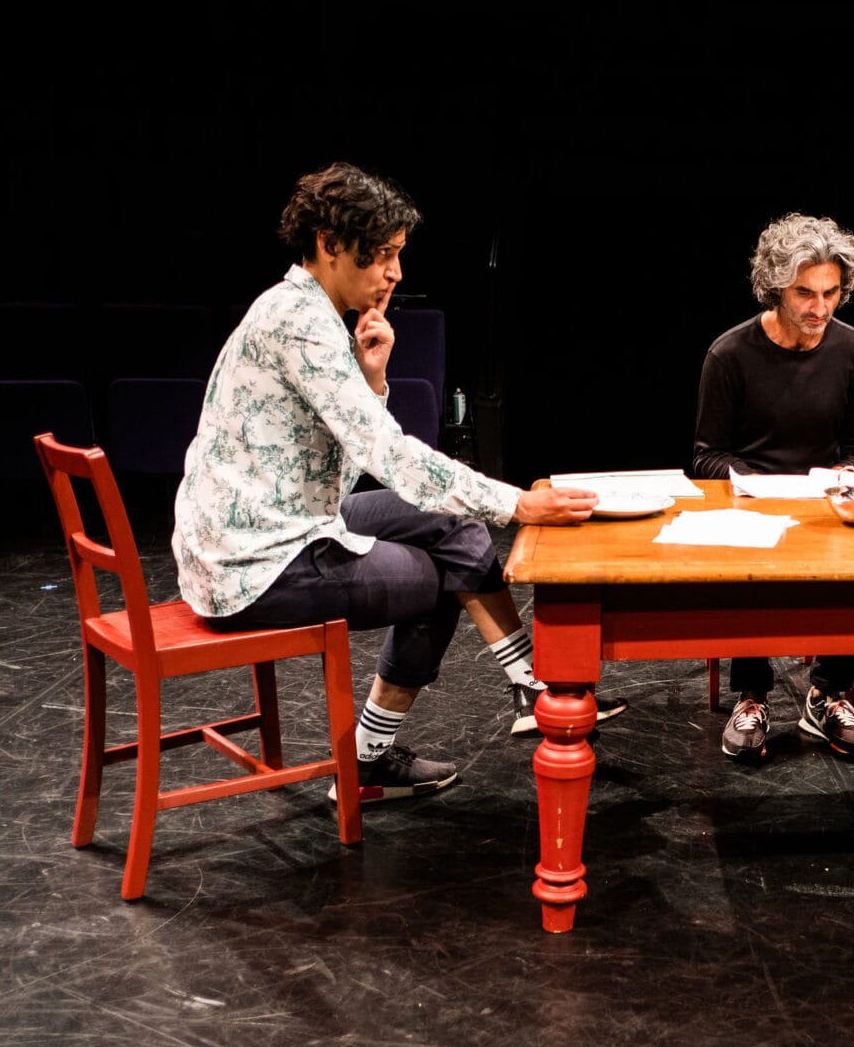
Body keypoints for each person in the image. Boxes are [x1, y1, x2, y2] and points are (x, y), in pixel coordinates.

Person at [172, 162, 622, 805]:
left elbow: (353, 464)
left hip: (287, 522)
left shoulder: (311, 314)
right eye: (382, 255)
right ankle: (368, 761)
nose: (395, 273)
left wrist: (371, 375)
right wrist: (518, 503)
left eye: (397, 256)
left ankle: (529, 684)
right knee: (431, 575)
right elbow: (389, 457)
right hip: (253, 561)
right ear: (329, 243)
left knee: (449, 523)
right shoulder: (298, 321)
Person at [692, 212, 854, 761]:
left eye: (831, 293)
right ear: (775, 287)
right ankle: (751, 695)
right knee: (747, 559)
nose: (820, 308)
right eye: (805, 293)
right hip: (752, 505)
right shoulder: (729, 354)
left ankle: (827, 695)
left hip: (825, 506)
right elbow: (704, 458)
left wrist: (846, 476)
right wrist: (757, 487)